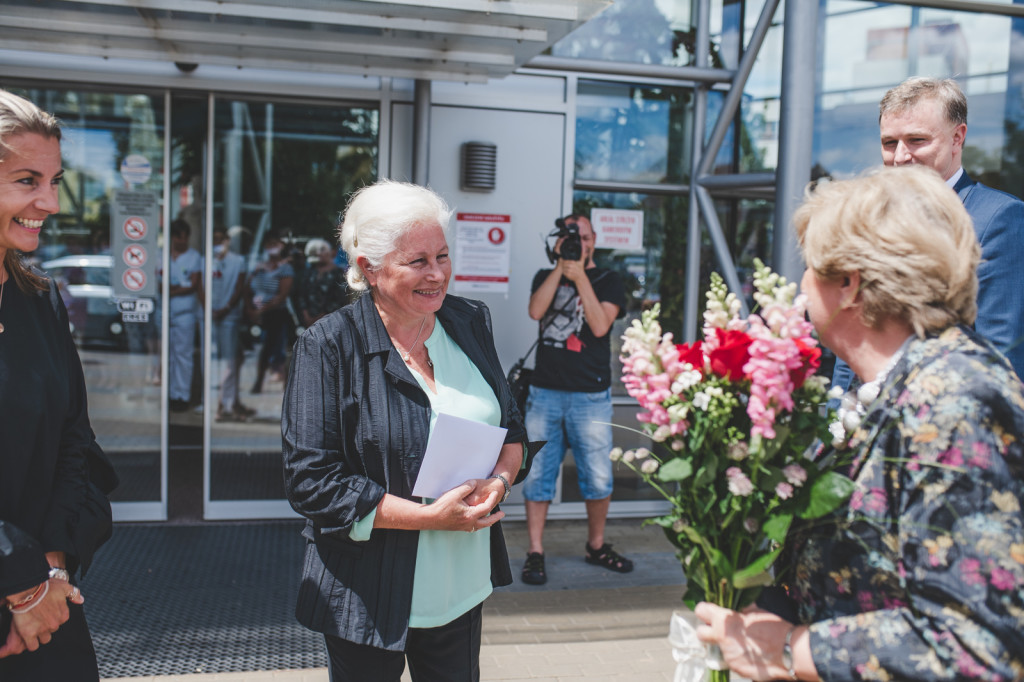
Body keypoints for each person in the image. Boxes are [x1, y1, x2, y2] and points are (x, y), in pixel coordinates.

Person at [694, 165, 1024, 681]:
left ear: (849, 285)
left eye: (809, 265)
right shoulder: (899, 386)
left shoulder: (955, 399)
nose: (800, 285)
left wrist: (786, 648)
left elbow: (974, 650)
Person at [282, 180, 536, 682]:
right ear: (368, 268)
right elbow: (310, 480)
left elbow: (511, 428)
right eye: (418, 262)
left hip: (460, 583)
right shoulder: (327, 345)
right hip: (367, 591)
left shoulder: (467, 320)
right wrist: (427, 519)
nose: (437, 274)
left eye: (442, 256)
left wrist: (500, 482)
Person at [0, 89, 118, 680]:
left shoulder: (39, 300)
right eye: (27, 180)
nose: (48, 201)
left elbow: (75, 439)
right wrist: (18, 581)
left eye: (54, 180)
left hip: (47, 603)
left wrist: (51, 568)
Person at [832, 76, 1024, 393]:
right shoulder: (870, 220)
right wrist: (835, 418)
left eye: (917, 140)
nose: (901, 157)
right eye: (889, 143)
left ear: (957, 138)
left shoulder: (999, 219)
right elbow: (853, 339)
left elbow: (1000, 355)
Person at [520, 213, 630, 586]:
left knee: (597, 477)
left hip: (590, 397)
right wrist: (559, 267)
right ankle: (535, 551)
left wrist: (579, 272)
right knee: (538, 476)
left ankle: (596, 545)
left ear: (593, 241)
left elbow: (600, 326)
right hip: (545, 392)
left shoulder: (609, 280)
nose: (575, 243)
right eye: (568, 237)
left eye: (581, 237)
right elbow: (536, 311)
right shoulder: (543, 276)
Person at [247, 230, 293, 394]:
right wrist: (251, 310)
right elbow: (248, 289)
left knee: (276, 348)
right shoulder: (258, 267)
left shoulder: (285, 268)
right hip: (257, 314)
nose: (272, 248)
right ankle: (259, 381)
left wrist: (262, 310)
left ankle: (285, 383)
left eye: (276, 244)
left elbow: (282, 295)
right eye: (269, 244)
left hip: (276, 314)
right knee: (263, 350)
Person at [208, 226, 247, 422]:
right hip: (208, 316)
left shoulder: (238, 261)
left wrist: (226, 308)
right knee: (213, 362)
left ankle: (225, 403)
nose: (217, 243)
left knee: (229, 363)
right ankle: (217, 403)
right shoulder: (206, 260)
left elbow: (239, 287)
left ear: (226, 241)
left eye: (220, 239)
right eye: (213, 239)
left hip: (229, 317)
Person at [167, 218, 202, 412]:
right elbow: (159, 282)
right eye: (179, 238)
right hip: (165, 312)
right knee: (168, 355)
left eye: (185, 238)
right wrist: (178, 288)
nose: (182, 242)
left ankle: (182, 395)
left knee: (183, 356)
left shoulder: (193, 257)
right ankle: (171, 394)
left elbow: (193, 284)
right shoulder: (162, 255)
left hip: (185, 313)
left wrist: (172, 290)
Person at [297, 237, 349, 328]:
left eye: (323, 250)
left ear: (331, 252)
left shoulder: (339, 274)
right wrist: (306, 316)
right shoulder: (309, 272)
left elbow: (340, 299)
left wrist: (319, 318)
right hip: (307, 321)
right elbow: (302, 294)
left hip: (331, 322)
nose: (319, 253)